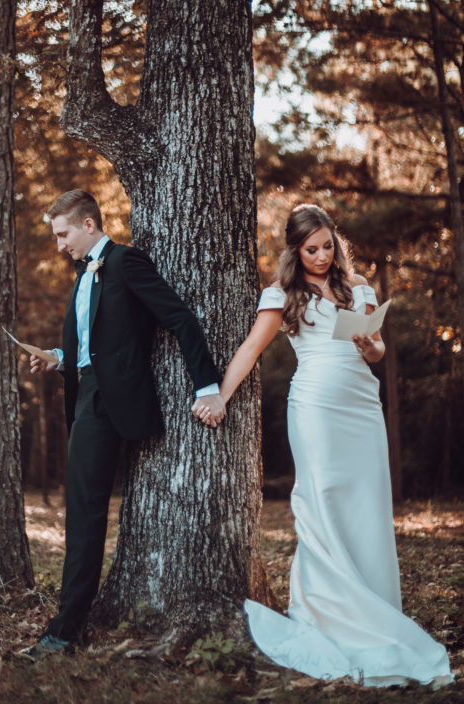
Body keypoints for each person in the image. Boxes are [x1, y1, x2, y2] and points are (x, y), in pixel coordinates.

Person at [193, 204, 453, 687]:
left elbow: (377, 350)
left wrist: (368, 345)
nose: (320, 255)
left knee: (365, 506)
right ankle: (327, 609)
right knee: (321, 500)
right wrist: (219, 395)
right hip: (313, 408)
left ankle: (374, 606)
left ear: (336, 243)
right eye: (310, 249)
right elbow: (252, 349)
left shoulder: (359, 289)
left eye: (327, 246)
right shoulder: (281, 296)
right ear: (296, 250)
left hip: (360, 408)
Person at [24, 190, 225, 659]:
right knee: (83, 513)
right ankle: (69, 623)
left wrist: (206, 387)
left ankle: (64, 631)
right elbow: (96, 342)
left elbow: (179, 319)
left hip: (115, 405)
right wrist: (58, 360)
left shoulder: (126, 263)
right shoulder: (82, 275)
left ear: (89, 224)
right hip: (88, 398)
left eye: (63, 234)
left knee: (86, 514)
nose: (59, 246)